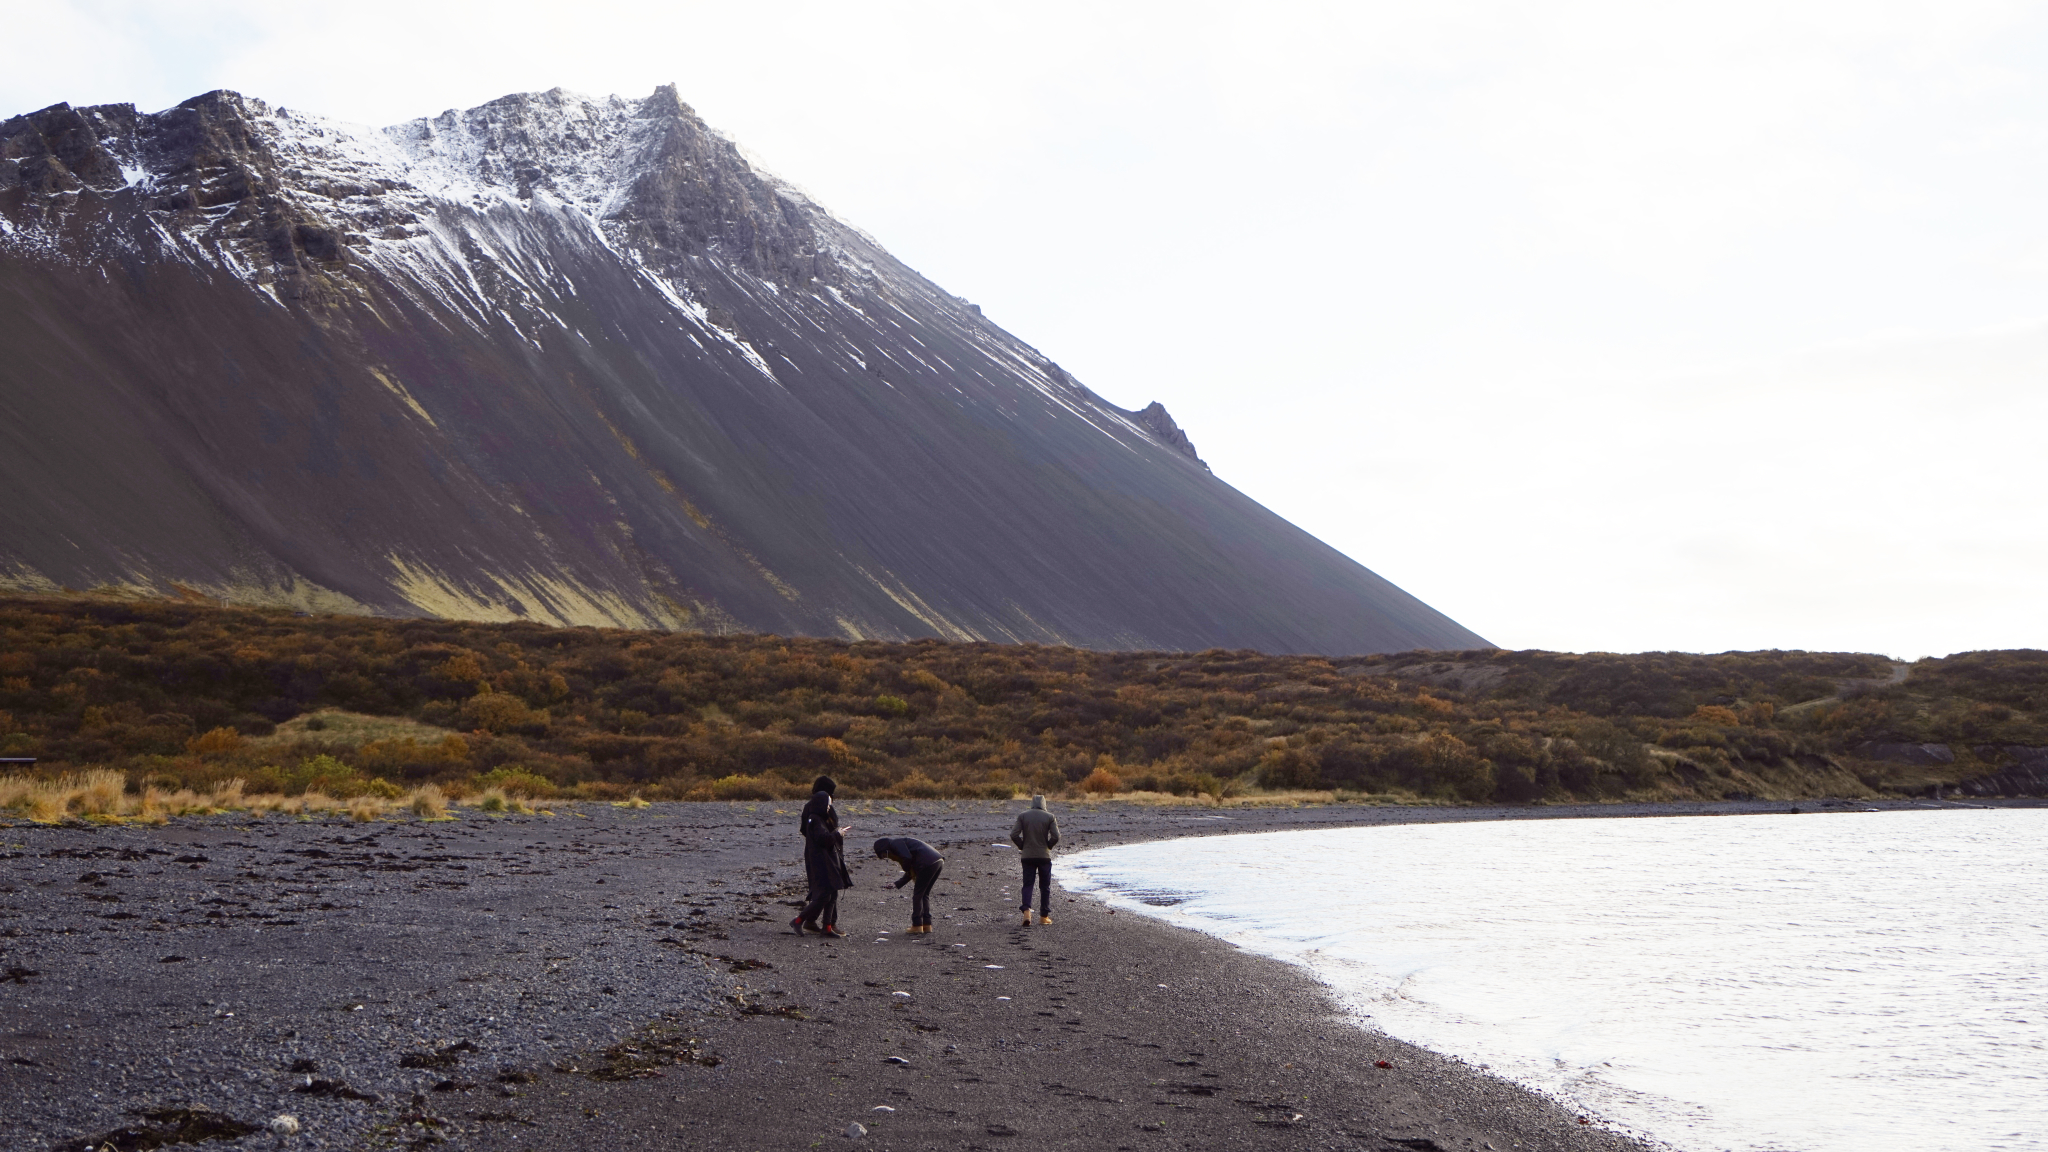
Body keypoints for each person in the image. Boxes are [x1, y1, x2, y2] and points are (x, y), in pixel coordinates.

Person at [793, 776, 852, 937]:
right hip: (822, 852)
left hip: (827, 850)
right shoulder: (814, 811)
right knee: (826, 889)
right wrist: (833, 836)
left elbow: (808, 831)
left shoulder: (817, 807)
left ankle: (822, 924)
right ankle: (818, 922)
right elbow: (816, 833)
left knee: (828, 889)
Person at [872, 837, 944, 934]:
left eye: (885, 855)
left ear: (885, 849)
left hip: (927, 863)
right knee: (924, 894)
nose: (888, 858)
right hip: (937, 861)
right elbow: (911, 867)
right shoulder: (904, 844)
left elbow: (907, 859)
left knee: (918, 895)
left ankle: (917, 925)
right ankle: (927, 925)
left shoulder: (895, 843)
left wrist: (905, 868)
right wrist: (896, 884)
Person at [1009, 794, 1060, 926]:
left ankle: (1026, 911)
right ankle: (1044, 916)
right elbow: (1056, 836)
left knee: (1027, 884)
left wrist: (1022, 845)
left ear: (1032, 803)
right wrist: (1048, 845)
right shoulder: (1049, 817)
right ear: (1044, 804)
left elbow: (1014, 834)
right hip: (1044, 856)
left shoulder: (1023, 816)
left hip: (1027, 856)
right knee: (1045, 886)